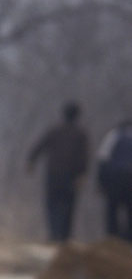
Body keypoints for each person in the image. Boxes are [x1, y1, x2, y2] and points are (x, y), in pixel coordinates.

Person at [27, 101, 89, 241]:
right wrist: (82, 174)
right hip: (71, 176)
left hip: (53, 174)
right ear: (77, 115)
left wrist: (31, 162)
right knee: (69, 204)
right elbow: (84, 156)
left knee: (52, 203)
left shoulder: (54, 131)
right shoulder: (81, 134)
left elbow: (39, 146)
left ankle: (53, 233)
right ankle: (64, 236)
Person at [96, 118, 132, 241]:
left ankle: (112, 237)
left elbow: (103, 158)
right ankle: (128, 239)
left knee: (112, 208)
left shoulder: (114, 135)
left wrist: (100, 181)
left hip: (115, 178)